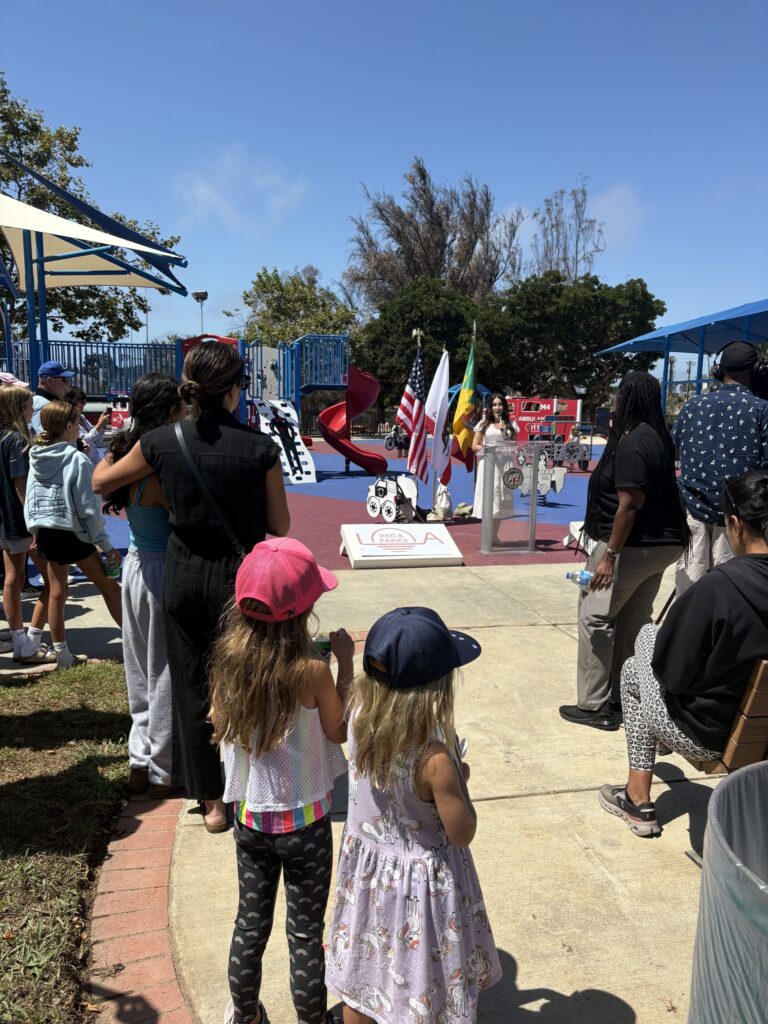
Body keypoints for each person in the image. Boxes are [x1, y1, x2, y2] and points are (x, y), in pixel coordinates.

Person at [93, 341, 290, 833]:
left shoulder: (162, 442)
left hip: (181, 576)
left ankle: (211, 802)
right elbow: (280, 526)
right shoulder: (260, 448)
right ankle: (252, 785)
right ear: (234, 390)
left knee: (189, 684)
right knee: (244, 679)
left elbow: (105, 482)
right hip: (237, 580)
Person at [326, 606, 501, 1024]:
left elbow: (335, 724)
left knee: (364, 980)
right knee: (423, 984)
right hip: (420, 890)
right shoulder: (435, 758)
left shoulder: (360, 719)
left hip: (368, 879)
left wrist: (345, 663)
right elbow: (462, 831)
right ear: (437, 689)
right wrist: (462, 781)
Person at [209, 538, 353, 1024]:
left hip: (250, 822)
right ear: (302, 611)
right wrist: (346, 665)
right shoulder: (312, 670)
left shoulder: (228, 664)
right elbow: (340, 731)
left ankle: (245, 1016)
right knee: (305, 933)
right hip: (307, 825)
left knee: (250, 927)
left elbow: (217, 720)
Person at [600, 469, 768, 838]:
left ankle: (636, 798)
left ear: (735, 524)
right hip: (759, 733)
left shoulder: (719, 587)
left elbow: (672, 677)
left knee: (635, 662)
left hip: (709, 735)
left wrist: (651, 638)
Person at [560, 372, 689, 732]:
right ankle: (623, 695)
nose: (614, 402)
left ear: (628, 400)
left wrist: (609, 555)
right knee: (633, 618)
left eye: (618, 397)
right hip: (663, 545)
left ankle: (594, 704)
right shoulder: (659, 438)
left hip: (633, 546)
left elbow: (629, 505)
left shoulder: (634, 445)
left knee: (595, 616)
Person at [101, 374, 183, 798]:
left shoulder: (123, 456)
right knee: (164, 670)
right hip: (161, 569)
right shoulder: (158, 463)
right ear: (170, 411)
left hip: (133, 567)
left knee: (138, 668)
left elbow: (100, 478)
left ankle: (140, 759)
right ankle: (162, 769)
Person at [24, 401, 122, 668]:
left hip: (46, 531)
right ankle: (139, 643)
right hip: (73, 533)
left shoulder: (36, 455)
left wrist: (34, 529)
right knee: (109, 586)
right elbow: (88, 508)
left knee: (56, 590)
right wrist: (104, 543)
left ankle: (62, 654)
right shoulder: (77, 459)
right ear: (68, 426)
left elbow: (31, 499)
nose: (80, 426)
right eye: (77, 422)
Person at [673, 340, 768, 595]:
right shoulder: (762, 410)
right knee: (733, 594)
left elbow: (673, 449)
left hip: (693, 515)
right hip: (739, 522)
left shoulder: (692, 406)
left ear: (719, 371)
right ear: (757, 371)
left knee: (688, 594)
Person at [0, 385, 53, 662]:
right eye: (30, 406)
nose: (33, 410)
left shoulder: (3, 438)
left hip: (6, 519)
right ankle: (30, 641)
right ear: (19, 408)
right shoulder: (19, 441)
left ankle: (19, 637)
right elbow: (22, 486)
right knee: (54, 581)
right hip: (22, 520)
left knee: (14, 578)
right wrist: (35, 524)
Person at [471, 393, 518, 542]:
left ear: (504, 407)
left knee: (502, 497)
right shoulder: (484, 424)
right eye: (495, 405)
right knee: (489, 497)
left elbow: (514, 445)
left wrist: (505, 433)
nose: (498, 407)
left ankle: (494, 534)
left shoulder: (511, 425)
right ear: (491, 408)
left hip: (505, 464)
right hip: (489, 465)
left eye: (500, 404)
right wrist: (488, 450)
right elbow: (474, 445)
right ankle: (486, 534)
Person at [64, 386, 111, 467]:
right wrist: (99, 426)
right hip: (82, 465)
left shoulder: (82, 418)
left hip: (93, 464)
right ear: (71, 405)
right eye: (80, 407)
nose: (82, 409)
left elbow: (96, 442)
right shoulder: (68, 421)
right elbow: (84, 442)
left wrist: (102, 426)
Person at [31, 360, 75, 434]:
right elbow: (44, 439)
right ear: (50, 380)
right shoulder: (44, 405)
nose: (67, 384)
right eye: (63, 379)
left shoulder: (38, 400)